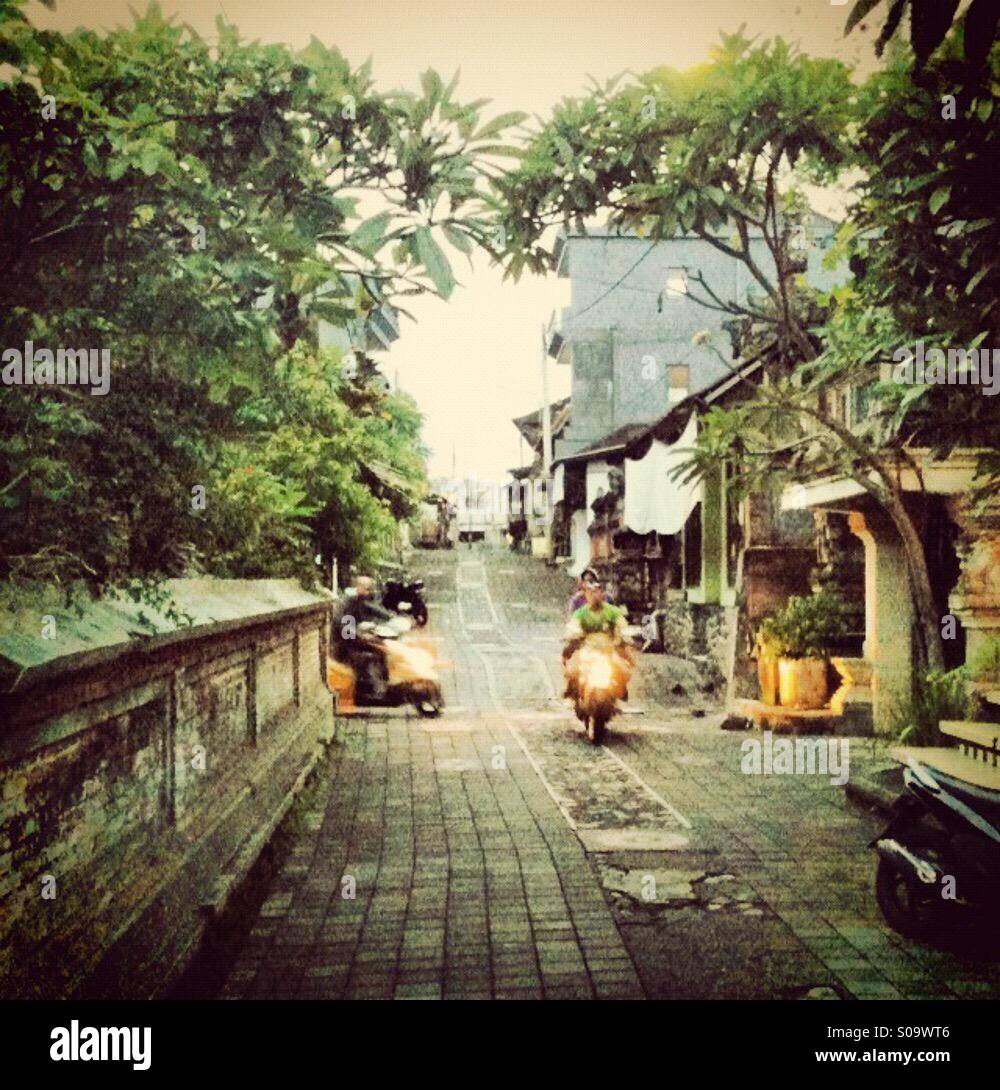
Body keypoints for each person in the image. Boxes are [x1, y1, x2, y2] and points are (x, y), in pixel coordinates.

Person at [562, 579, 634, 699]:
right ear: (586, 595)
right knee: (572, 671)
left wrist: (624, 635)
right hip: (587, 652)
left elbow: (621, 625)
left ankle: (621, 691)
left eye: (596, 592)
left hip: (608, 651)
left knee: (624, 671)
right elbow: (574, 626)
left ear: (602, 594)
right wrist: (573, 634)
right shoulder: (581, 613)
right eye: (590, 592)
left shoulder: (612, 612)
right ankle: (572, 693)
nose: (593, 595)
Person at [334, 576, 395, 700]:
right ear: (359, 587)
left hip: (354, 639)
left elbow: (372, 609)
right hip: (347, 645)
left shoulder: (360, 601)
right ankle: (375, 687)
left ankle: (384, 683)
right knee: (377, 652)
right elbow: (347, 631)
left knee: (382, 647)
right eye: (367, 589)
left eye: (370, 589)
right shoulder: (349, 604)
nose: (369, 592)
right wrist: (362, 636)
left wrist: (390, 616)